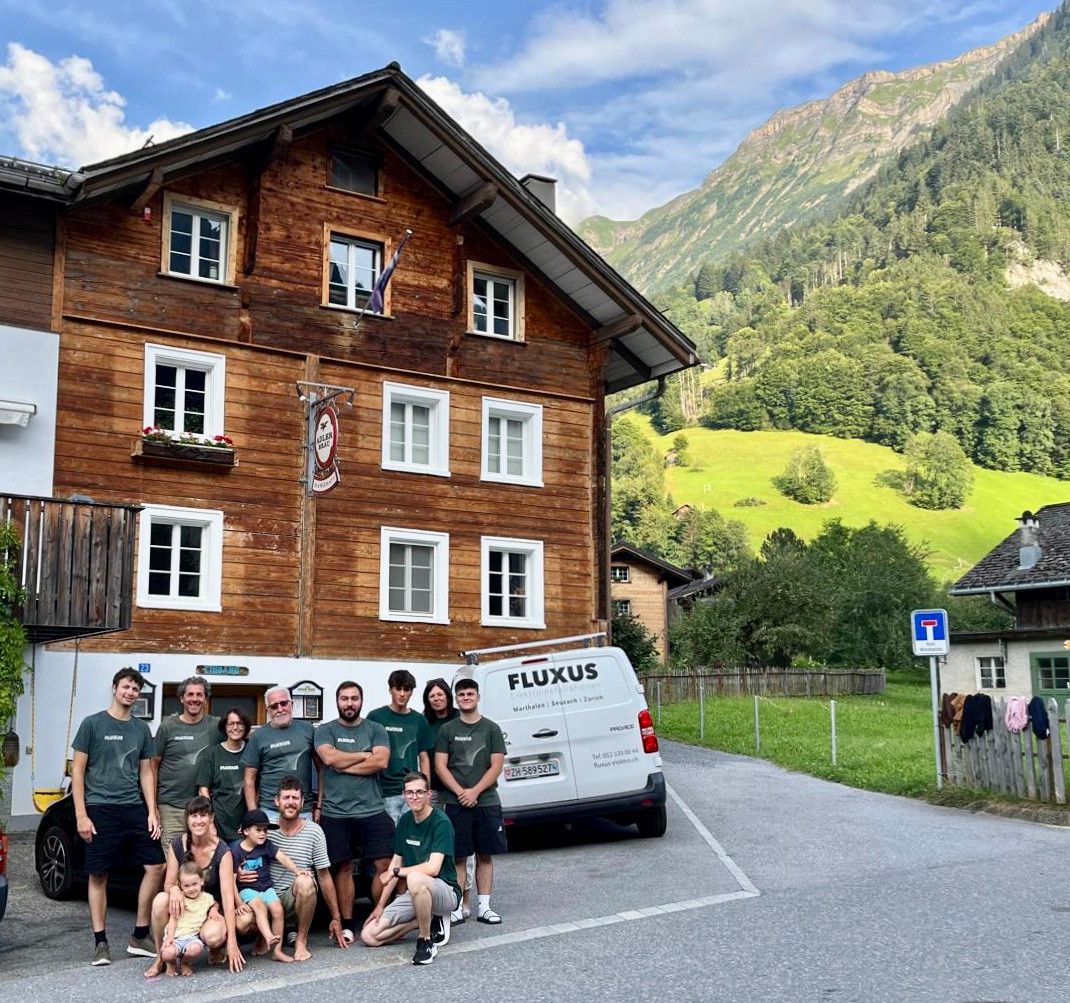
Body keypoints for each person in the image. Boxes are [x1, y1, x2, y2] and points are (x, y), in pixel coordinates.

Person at [71, 666, 166, 967]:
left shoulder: (141, 729)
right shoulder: (92, 724)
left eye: (135, 689)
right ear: (115, 688)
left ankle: (139, 935)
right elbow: (78, 770)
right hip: (99, 808)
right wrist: (81, 815)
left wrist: (152, 811)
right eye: (126, 687)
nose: (130, 693)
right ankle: (100, 942)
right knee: (99, 874)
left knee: (156, 865)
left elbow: (147, 772)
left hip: (133, 807)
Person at [314, 681, 393, 944]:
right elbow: (328, 759)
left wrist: (342, 762)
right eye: (345, 698)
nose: (350, 703)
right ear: (337, 701)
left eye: (354, 698)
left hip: (372, 809)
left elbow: (381, 761)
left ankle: (377, 916)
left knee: (384, 864)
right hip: (336, 813)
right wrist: (362, 754)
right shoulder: (325, 730)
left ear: (361, 700)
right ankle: (347, 924)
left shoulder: (376, 729)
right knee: (343, 867)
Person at [361, 771, 462, 966]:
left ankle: (425, 941)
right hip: (418, 891)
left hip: (445, 891)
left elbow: (432, 869)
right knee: (369, 936)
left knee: (415, 878)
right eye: (410, 793)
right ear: (404, 795)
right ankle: (423, 920)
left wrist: (396, 873)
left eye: (419, 792)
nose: (414, 797)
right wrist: (380, 906)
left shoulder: (441, 822)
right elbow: (395, 864)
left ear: (428, 794)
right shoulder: (405, 821)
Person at [144, 795, 250, 978]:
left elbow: (227, 897)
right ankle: (161, 957)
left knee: (213, 936)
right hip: (186, 908)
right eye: (194, 816)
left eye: (203, 815)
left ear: (211, 818)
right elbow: (168, 882)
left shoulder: (222, 851)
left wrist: (232, 942)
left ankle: (214, 947)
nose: (199, 820)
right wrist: (175, 889)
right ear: (187, 819)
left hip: (211, 909)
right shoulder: (177, 845)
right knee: (161, 899)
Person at [435, 678, 507, 926]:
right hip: (455, 803)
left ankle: (484, 907)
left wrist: (475, 791)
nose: (466, 697)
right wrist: (461, 792)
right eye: (462, 694)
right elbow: (440, 766)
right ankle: (456, 908)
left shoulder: (491, 729)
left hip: (486, 801)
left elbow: (497, 765)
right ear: (456, 698)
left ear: (477, 697)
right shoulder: (447, 730)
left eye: (470, 694)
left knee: (485, 855)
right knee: (458, 856)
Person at [253, 775, 348, 961]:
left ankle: (301, 941)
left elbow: (324, 875)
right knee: (244, 917)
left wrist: (336, 917)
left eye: (295, 798)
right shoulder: (265, 830)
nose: (290, 803)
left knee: (305, 882)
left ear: (303, 802)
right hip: (266, 896)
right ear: (276, 801)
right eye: (286, 798)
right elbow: (245, 855)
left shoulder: (314, 831)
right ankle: (263, 934)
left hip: (294, 897)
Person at [231, 808, 309, 964]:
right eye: (258, 830)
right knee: (259, 906)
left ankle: (277, 951)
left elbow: (283, 858)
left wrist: (297, 871)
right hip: (247, 890)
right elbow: (231, 880)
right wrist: (238, 902)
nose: (263, 834)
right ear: (246, 831)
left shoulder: (266, 845)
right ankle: (268, 937)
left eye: (265, 830)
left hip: (266, 888)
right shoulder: (236, 850)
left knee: (278, 910)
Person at [153, 676, 219, 846]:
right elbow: (153, 766)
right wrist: (153, 807)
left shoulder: (216, 726)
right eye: (190, 694)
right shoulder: (167, 727)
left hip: (202, 808)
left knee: (200, 861)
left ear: (205, 698)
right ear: (182, 698)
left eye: (199, 695)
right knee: (174, 860)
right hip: (171, 806)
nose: (194, 699)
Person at [368, 670, 434, 823]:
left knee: (411, 838)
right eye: (398, 688)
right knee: (388, 839)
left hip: (411, 791)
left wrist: (426, 792)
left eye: (407, 689)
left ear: (412, 692)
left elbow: (424, 759)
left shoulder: (419, 720)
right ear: (390, 689)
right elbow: (368, 754)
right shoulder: (376, 717)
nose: (402, 694)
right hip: (383, 792)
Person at [242, 686, 316, 816]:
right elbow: (249, 780)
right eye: (274, 706)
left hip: (303, 811)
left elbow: (322, 770)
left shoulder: (309, 730)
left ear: (291, 704)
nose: (280, 709)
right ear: (268, 711)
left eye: (284, 703)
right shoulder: (258, 736)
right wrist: (253, 814)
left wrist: (319, 806)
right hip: (270, 811)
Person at [195, 707, 251, 841]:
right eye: (231, 723)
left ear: (245, 727)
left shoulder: (252, 750)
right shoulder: (211, 754)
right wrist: (209, 821)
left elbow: (257, 787)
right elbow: (203, 789)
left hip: (243, 825)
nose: (235, 727)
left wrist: (250, 819)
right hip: (217, 824)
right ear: (224, 727)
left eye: (240, 723)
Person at [159, 862, 219, 977]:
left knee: (195, 949)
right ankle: (171, 964)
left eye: (194, 884)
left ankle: (185, 963)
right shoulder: (180, 899)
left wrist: (214, 909)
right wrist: (170, 937)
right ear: (180, 885)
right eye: (186, 886)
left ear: (201, 881)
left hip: (192, 937)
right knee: (167, 953)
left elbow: (214, 904)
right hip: (175, 936)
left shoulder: (207, 898)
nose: (191, 889)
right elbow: (173, 919)